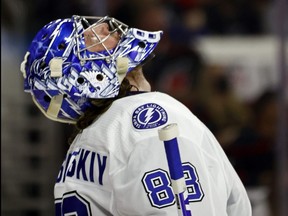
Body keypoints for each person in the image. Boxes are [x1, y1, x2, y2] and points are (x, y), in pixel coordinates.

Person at [20, 15, 252, 216]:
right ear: (83, 77)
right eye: (89, 38)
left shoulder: (87, 141)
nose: (104, 28)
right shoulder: (148, 120)